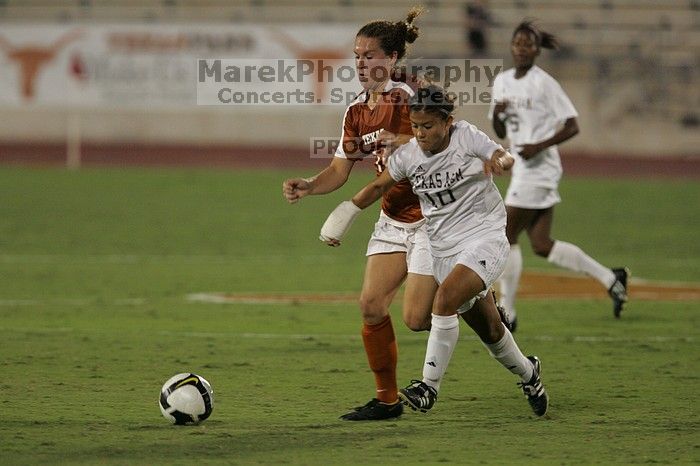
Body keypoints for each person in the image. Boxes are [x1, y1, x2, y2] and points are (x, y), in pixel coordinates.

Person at [318, 84, 549, 417]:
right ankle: (529, 374)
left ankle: (428, 386)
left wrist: (503, 160)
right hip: (443, 248)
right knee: (492, 331)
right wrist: (347, 212)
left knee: (443, 302)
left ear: (447, 122)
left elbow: (498, 153)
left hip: (483, 237)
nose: (420, 133)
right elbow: (378, 187)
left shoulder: (466, 137)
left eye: (428, 126)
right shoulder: (409, 156)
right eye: (415, 126)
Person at [282, 6, 439, 421]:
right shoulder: (355, 110)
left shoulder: (410, 96)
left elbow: (434, 141)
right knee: (371, 306)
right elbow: (340, 168)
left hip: (431, 218)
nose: (360, 63)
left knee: (418, 320)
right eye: (356, 55)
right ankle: (387, 401)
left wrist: (401, 137)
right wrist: (310, 186)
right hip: (392, 217)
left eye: (369, 55)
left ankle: (479, 298)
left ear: (391, 59)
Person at [490, 21, 629, 330]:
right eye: (518, 43)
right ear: (511, 46)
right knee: (541, 244)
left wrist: (539, 145)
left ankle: (508, 314)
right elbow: (500, 130)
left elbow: (572, 125)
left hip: (540, 168)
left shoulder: (544, 84)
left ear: (538, 50)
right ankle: (611, 278)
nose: (523, 48)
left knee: (506, 234)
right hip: (521, 167)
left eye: (529, 44)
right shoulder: (501, 82)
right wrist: (499, 116)